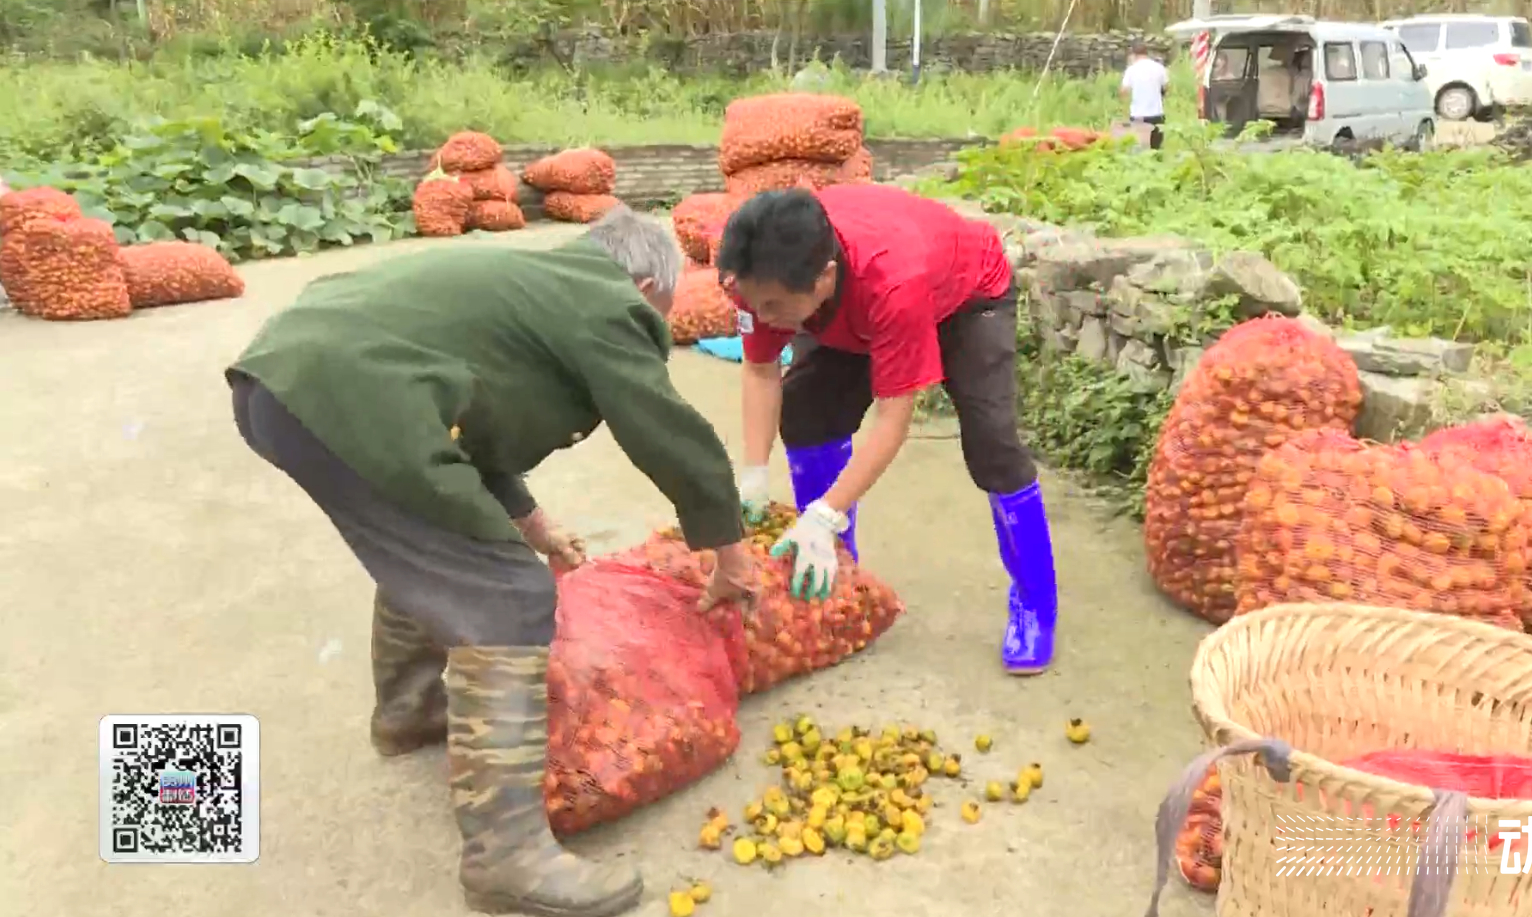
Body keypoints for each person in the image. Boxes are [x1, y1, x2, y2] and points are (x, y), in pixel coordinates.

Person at [226, 205, 752, 917]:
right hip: (344, 392)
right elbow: (664, 427)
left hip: (282, 389)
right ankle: (505, 857)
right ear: (640, 281)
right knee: (508, 593)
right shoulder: (603, 296)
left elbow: (470, 435)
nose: (651, 332)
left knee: (436, 546)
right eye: (655, 314)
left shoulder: (534, 287)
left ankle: (411, 709)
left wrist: (537, 524)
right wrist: (729, 546)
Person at [717, 185, 1061, 676]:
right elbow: (760, 369)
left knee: (992, 445)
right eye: (756, 304)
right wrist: (752, 472)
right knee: (808, 411)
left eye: (773, 306)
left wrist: (824, 515)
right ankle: (838, 573)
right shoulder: (754, 270)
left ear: (824, 277)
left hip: (965, 298)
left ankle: (1035, 604)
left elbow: (892, 419)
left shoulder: (893, 282)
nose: (764, 317)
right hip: (852, 306)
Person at [1120, 40, 1170, 150]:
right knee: (1156, 148)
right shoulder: (1159, 67)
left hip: (1138, 115)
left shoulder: (1131, 70)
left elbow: (1123, 91)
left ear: (1133, 54)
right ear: (1147, 52)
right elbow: (1166, 87)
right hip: (1157, 113)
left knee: (1140, 149)